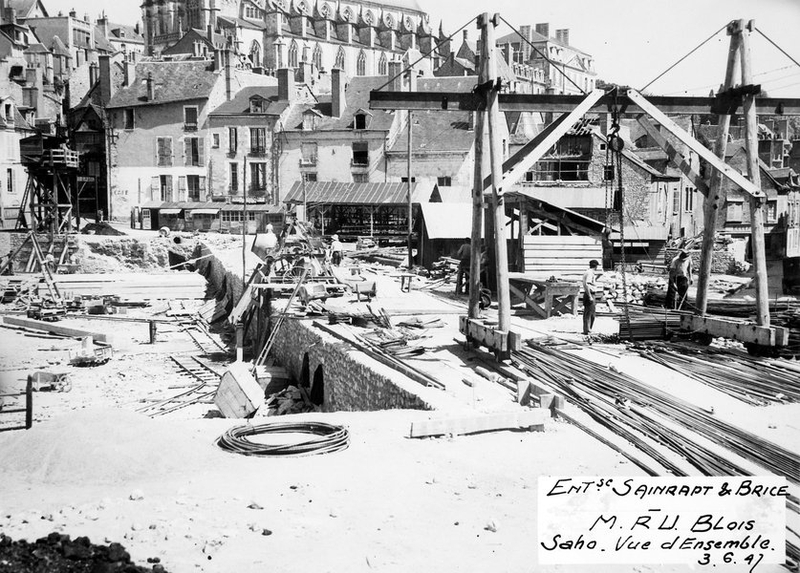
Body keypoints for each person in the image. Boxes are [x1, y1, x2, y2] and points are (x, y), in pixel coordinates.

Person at [582, 259, 601, 335]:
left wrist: (597, 277)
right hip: (590, 293)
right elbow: (587, 285)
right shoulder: (590, 273)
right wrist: (590, 296)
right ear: (596, 266)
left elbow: (591, 282)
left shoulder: (588, 272)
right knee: (590, 313)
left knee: (590, 312)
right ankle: (588, 330)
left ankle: (587, 329)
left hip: (589, 293)